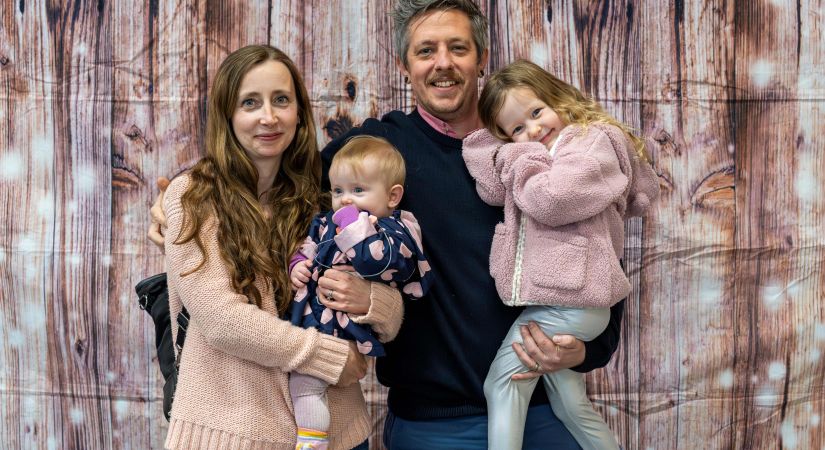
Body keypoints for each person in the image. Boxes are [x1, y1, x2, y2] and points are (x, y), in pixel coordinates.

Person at [148, 2, 627, 448]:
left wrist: (588, 351)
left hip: (542, 406)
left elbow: (600, 245)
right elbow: (271, 177)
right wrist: (178, 196)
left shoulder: (534, 146)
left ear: (482, 58)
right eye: (426, 51)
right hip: (431, 425)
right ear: (404, 64)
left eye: (458, 48)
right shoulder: (374, 154)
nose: (443, 63)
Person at [158, 45, 403, 450]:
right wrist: (327, 356)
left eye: (281, 100)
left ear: (299, 112)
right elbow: (222, 320)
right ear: (227, 115)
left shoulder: (323, 199)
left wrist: (372, 300)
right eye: (250, 103)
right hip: (235, 434)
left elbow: (392, 312)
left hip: (337, 434)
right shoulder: (194, 197)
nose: (268, 117)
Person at [462, 59, 659, 450]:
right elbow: (491, 185)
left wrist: (518, 154)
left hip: (573, 304)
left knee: (502, 385)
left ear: (558, 99)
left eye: (537, 112)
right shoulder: (543, 155)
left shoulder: (590, 143)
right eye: (517, 129)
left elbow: (552, 200)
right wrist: (509, 150)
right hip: (563, 300)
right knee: (571, 404)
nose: (533, 130)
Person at [288, 136, 433, 449]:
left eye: (358, 190)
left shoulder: (396, 229)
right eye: (338, 191)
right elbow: (308, 245)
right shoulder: (326, 223)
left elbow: (377, 262)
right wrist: (298, 264)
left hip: (344, 326)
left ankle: (311, 442)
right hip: (315, 317)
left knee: (306, 384)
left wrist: (353, 227)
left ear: (393, 196)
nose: (345, 201)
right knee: (303, 382)